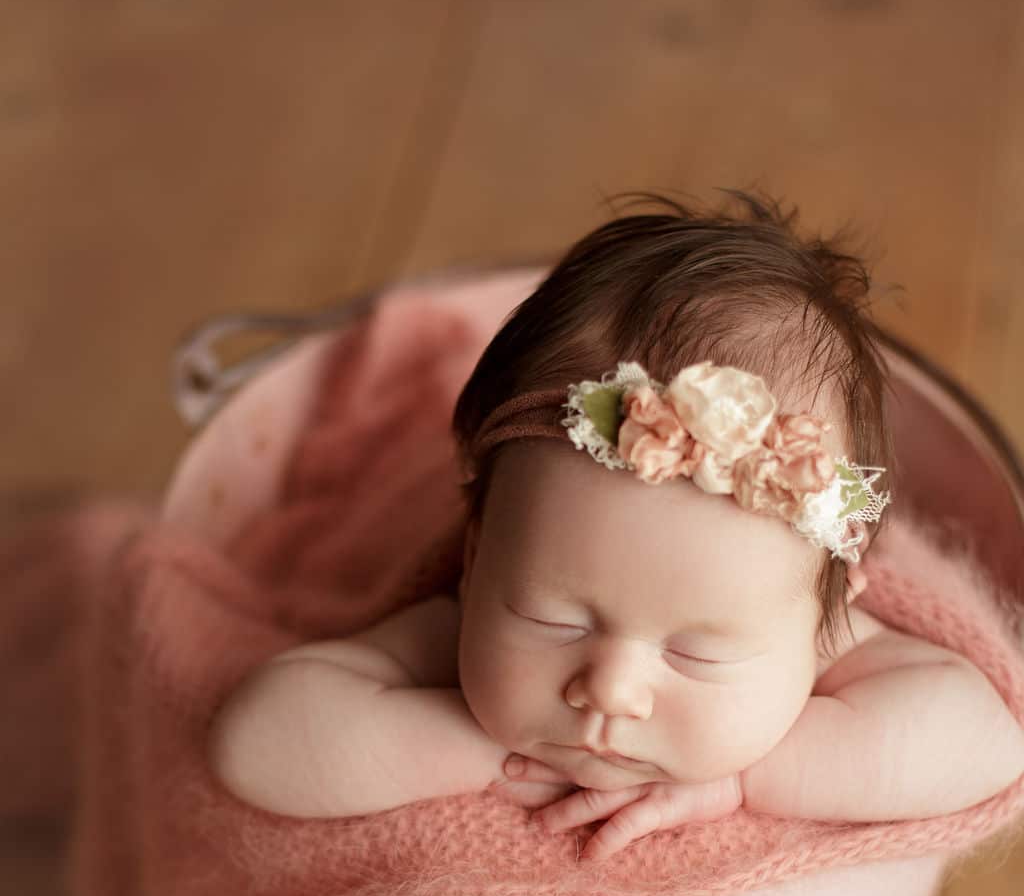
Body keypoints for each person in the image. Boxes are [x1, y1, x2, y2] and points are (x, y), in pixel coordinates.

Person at [207, 194, 1024, 860]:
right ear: (475, 555)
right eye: (552, 620)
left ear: (827, 617)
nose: (609, 690)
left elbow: (988, 740)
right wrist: (467, 747)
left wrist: (749, 779)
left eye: (695, 652)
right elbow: (258, 740)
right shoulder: (455, 633)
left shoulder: (822, 630)